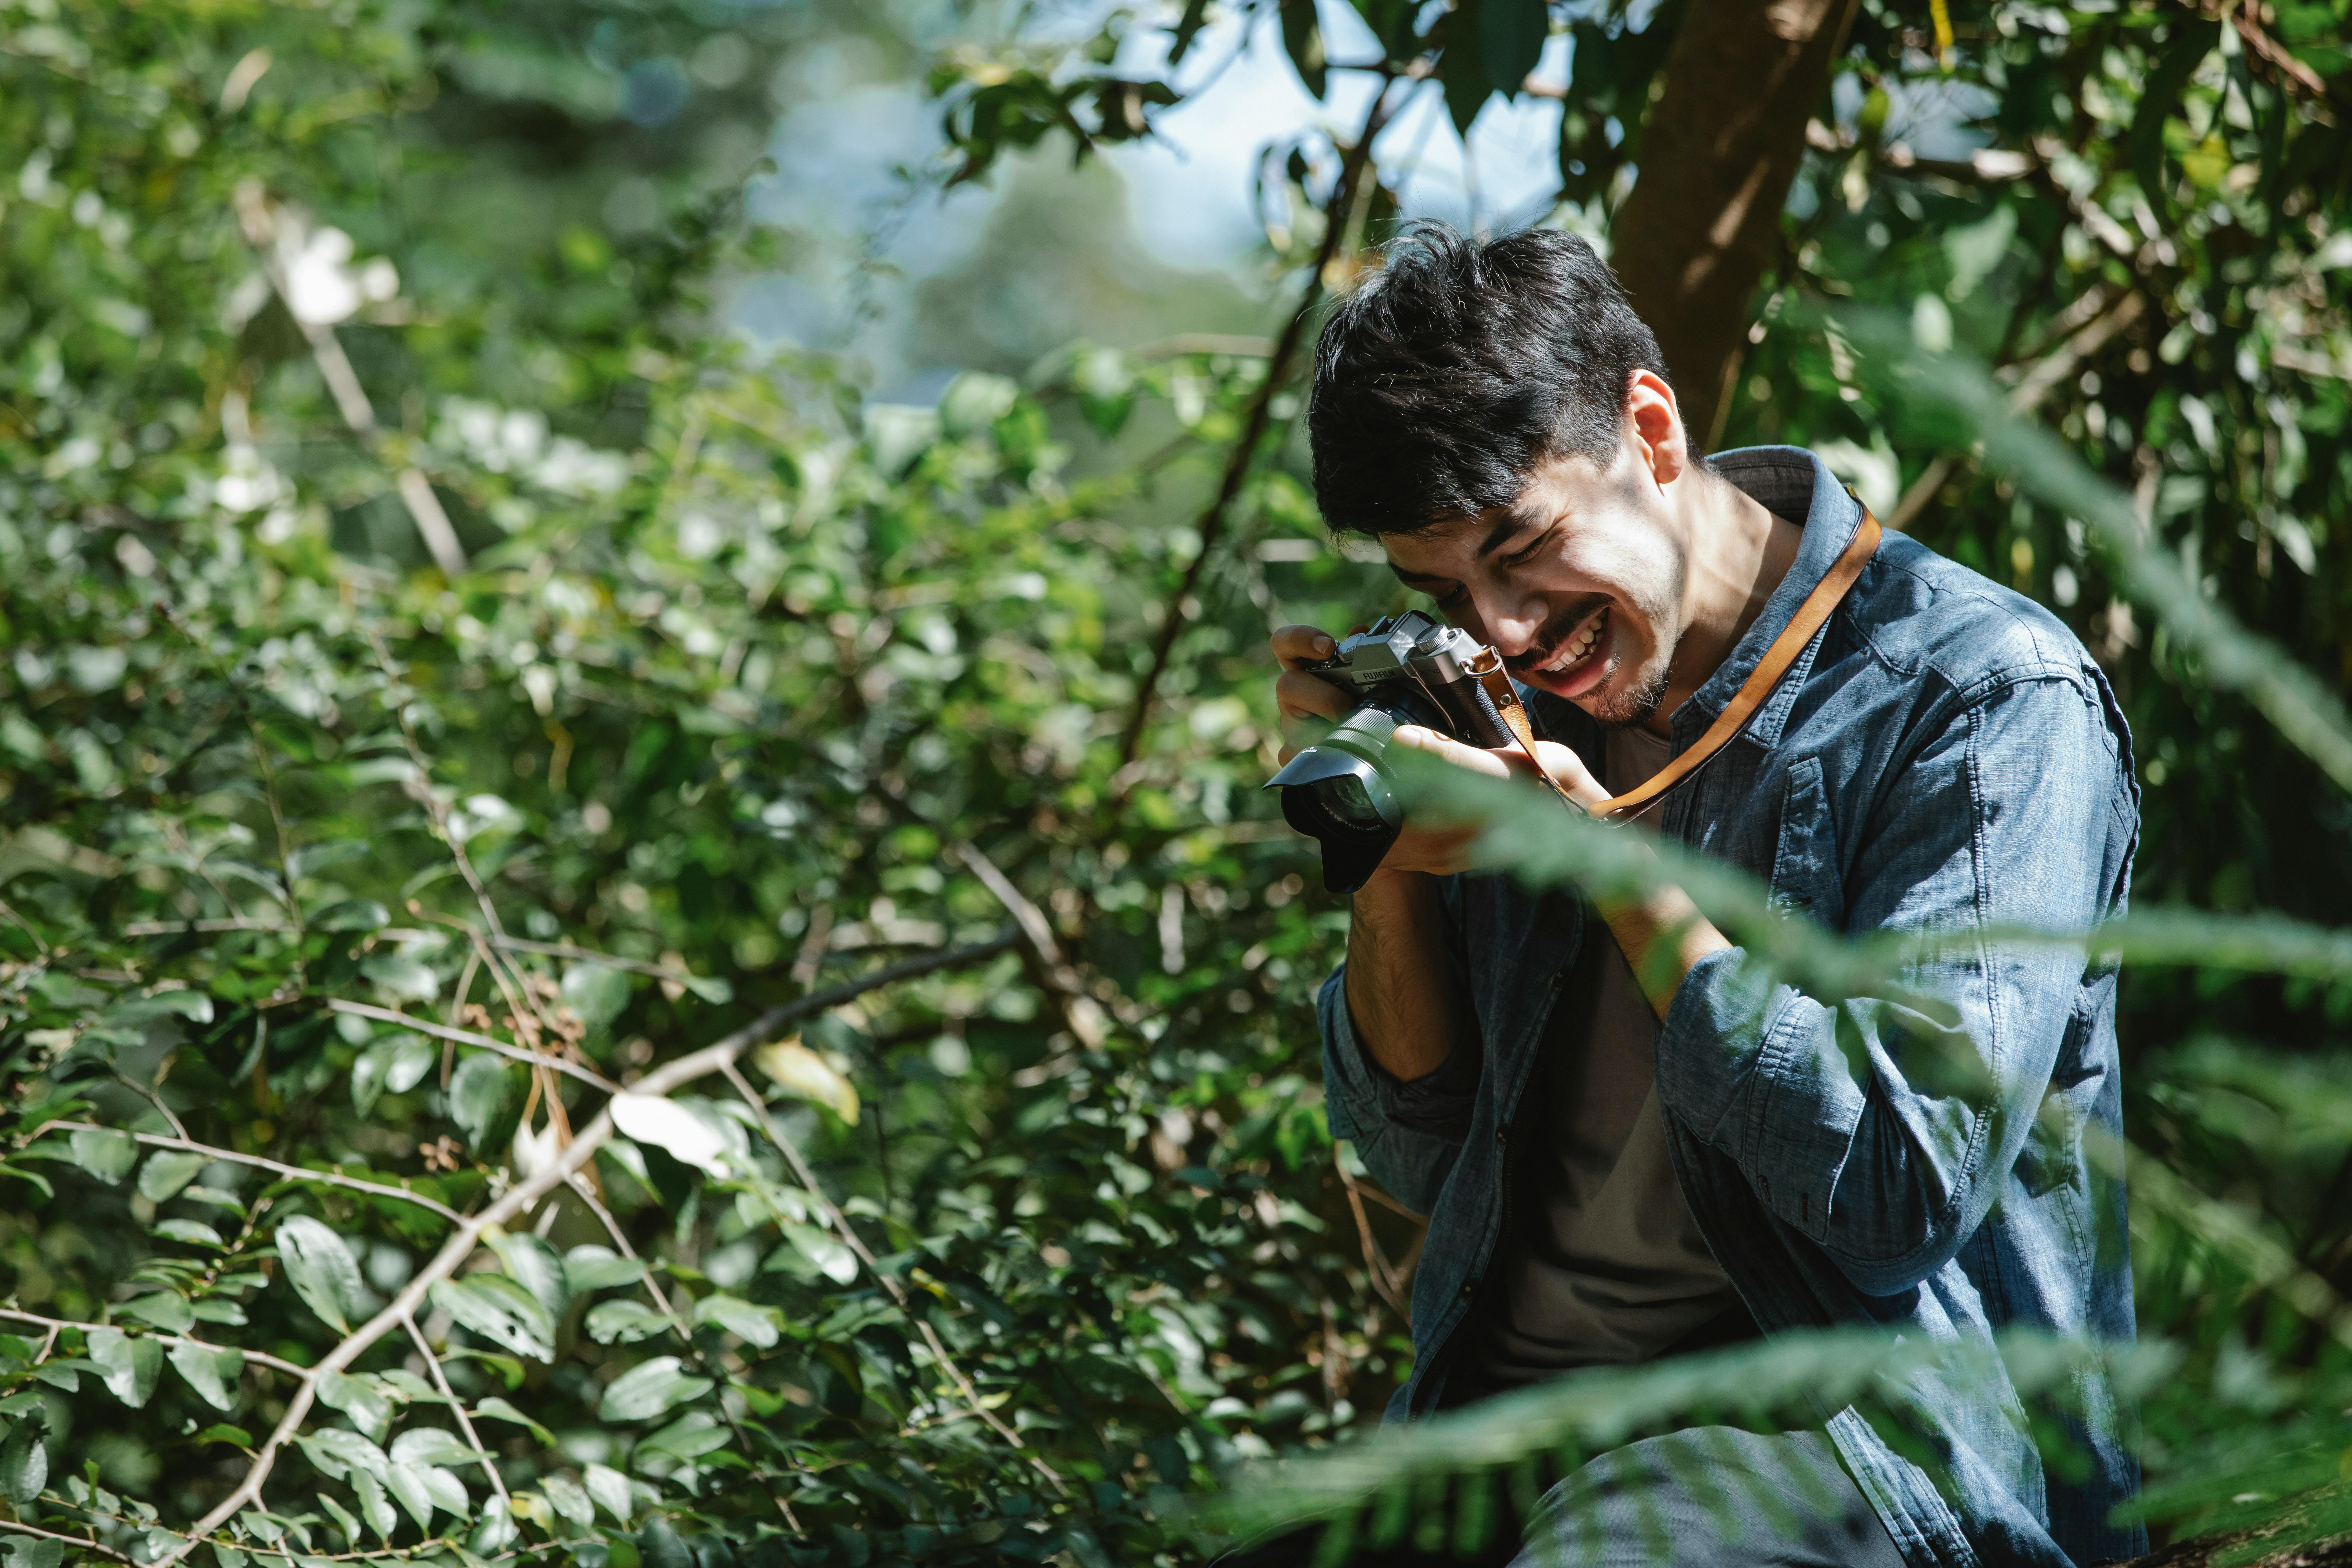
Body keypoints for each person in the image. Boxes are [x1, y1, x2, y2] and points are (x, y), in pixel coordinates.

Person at [1261, 224, 2141, 1568]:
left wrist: (1611, 875)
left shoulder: (1979, 696)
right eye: (1440, 590)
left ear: (1652, 429)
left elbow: (1898, 1191)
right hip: (1503, 1431)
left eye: (1524, 545)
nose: (1501, 630)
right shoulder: (1505, 697)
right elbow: (1418, 1156)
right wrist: (1379, 873)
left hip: (1851, 1443)